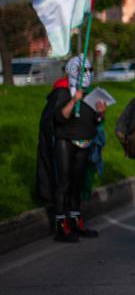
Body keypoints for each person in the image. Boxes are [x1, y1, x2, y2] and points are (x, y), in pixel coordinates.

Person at [41, 56, 107, 242]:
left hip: (84, 143)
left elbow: (95, 121)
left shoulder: (90, 94)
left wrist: (101, 113)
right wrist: (73, 101)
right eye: (82, 71)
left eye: (89, 70)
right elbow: (59, 117)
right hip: (66, 142)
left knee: (78, 184)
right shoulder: (62, 92)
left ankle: (76, 220)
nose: (87, 74)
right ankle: (61, 226)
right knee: (64, 184)